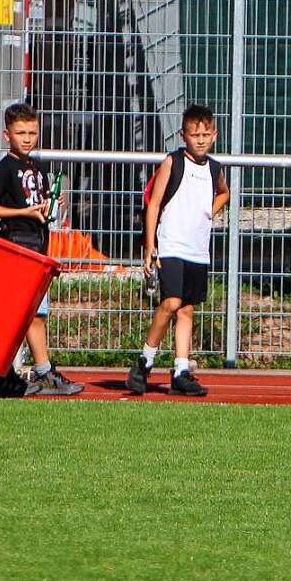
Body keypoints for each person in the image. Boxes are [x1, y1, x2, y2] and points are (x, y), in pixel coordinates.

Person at [0, 103, 83, 395]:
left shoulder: (36, 166)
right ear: (6, 134)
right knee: (23, 314)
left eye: (32, 132)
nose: (27, 138)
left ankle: (41, 371)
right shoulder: (5, 168)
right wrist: (24, 212)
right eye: (20, 132)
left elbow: (38, 202)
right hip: (17, 249)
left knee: (36, 313)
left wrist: (53, 201)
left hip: (37, 247)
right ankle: (9, 371)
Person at [125, 104, 229, 397]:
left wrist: (208, 212)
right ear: (184, 135)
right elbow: (154, 203)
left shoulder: (214, 168)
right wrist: (150, 246)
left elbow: (224, 192)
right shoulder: (173, 162)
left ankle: (182, 370)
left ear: (214, 135)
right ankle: (145, 360)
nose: (200, 140)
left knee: (186, 309)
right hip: (171, 245)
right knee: (170, 303)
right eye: (194, 134)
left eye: (206, 134)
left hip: (198, 249)